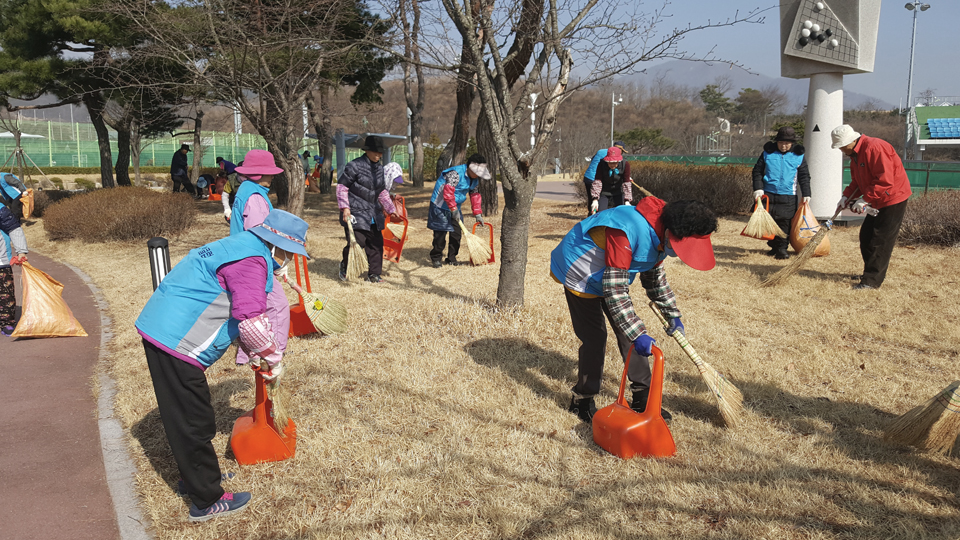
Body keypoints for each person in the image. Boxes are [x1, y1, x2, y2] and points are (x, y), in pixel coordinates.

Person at [135, 209, 309, 522]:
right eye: (287, 251)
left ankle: (199, 477)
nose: (287, 258)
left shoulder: (241, 244)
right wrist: (272, 359)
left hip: (164, 328)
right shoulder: (251, 261)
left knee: (193, 416)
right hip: (175, 341)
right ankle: (206, 499)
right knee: (192, 420)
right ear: (273, 244)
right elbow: (250, 320)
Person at [550, 196, 718, 423]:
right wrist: (637, 332)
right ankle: (582, 399)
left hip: (610, 274)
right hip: (581, 272)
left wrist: (672, 314)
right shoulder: (626, 230)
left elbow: (655, 280)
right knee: (595, 338)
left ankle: (643, 397)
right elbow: (615, 290)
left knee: (629, 335)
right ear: (672, 233)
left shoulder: (660, 234)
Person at [227, 150, 291, 367]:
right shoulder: (255, 198)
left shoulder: (246, 190)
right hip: (252, 263)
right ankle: (274, 354)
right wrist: (273, 263)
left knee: (253, 310)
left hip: (243, 260)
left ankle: (249, 355)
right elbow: (258, 234)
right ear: (257, 174)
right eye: (269, 173)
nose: (272, 177)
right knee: (277, 307)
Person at [831, 125, 912, 290]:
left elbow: (885, 180)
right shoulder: (855, 154)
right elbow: (857, 182)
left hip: (892, 198)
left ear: (851, 141)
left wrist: (864, 199)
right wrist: (846, 196)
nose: (840, 150)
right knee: (867, 237)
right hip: (876, 199)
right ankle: (870, 272)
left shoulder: (875, 148)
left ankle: (871, 281)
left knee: (880, 240)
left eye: (841, 146)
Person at [337, 136, 401, 283]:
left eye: (380, 153)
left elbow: (382, 192)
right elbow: (342, 187)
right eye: (375, 152)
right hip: (356, 212)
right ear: (367, 151)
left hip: (374, 214)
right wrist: (345, 208)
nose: (378, 155)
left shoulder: (379, 168)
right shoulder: (354, 166)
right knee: (357, 243)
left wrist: (391, 209)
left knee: (376, 245)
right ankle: (345, 267)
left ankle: (374, 275)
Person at [751, 126, 812, 260]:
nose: (783, 146)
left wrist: (806, 193)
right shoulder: (767, 153)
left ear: (792, 143)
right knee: (770, 222)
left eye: (787, 143)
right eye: (781, 143)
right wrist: (758, 188)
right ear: (776, 142)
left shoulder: (798, 156)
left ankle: (782, 249)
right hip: (768, 193)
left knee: (785, 223)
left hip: (788, 195)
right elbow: (757, 171)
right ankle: (774, 246)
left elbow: (804, 176)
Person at [427, 153, 490, 267]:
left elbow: (474, 194)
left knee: (456, 234)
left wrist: (477, 213)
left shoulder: (474, 179)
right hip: (440, 206)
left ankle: (451, 258)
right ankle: (436, 258)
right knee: (440, 233)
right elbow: (448, 193)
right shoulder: (455, 174)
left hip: (455, 206)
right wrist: (453, 208)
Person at [0, 204, 28, 336]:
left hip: (1, 260)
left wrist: (21, 251)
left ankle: (6, 322)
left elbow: (14, 228)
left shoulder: (1, 210)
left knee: (5, 294)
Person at [583, 141, 628, 215]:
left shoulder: (601, 151)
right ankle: (594, 218)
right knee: (597, 201)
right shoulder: (609, 156)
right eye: (622, 151)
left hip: (588, 176)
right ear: (619, 149)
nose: (622, 153)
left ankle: (591, 215)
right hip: (595, 178)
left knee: (592, 201)